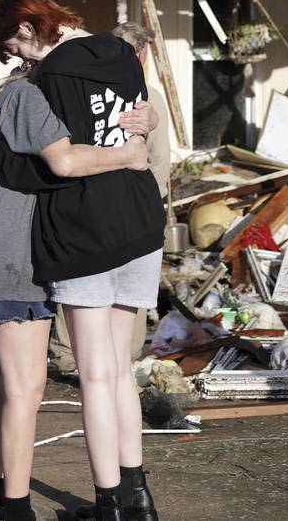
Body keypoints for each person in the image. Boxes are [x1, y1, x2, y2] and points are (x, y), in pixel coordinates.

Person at [0, 0, 166, 521]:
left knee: (96, 374)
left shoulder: (47, 81)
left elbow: (57, 165)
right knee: (123, 369)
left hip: (86, 229)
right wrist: (138, 136)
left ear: (34, 27)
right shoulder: (124, 54)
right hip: (142, 220)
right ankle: (139, 497)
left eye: (17, 46)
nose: (19, 59)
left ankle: (107, 505)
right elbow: (138, 119)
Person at [51, 21, 171, 372]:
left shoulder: (77, 87)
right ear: (143, 53)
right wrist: (152, 201)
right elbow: (159, 160)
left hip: (84, 202)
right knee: (124, 295)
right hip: (132, 205)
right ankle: (122, 359)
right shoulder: (146, 95)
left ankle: (68, 354)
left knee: (78, 287)